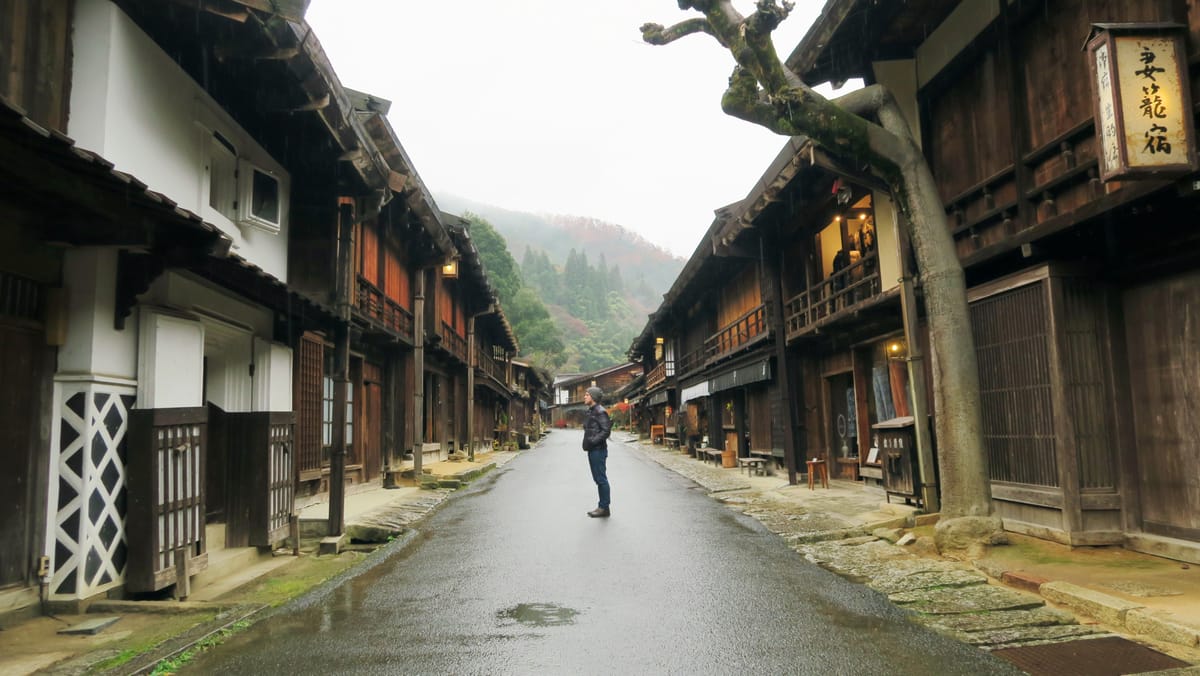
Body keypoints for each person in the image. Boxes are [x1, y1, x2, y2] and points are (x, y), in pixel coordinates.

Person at [582, 386, 612, 518]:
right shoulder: (592, 411)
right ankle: (603, 507)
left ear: (593, 397)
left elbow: (606, 431)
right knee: (598, 479)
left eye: (587, 394)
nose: (584, 396)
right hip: (593, 450)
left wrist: (593, 441)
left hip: (598, 450)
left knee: (601, 479)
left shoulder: (600, 411)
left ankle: (604, 507)